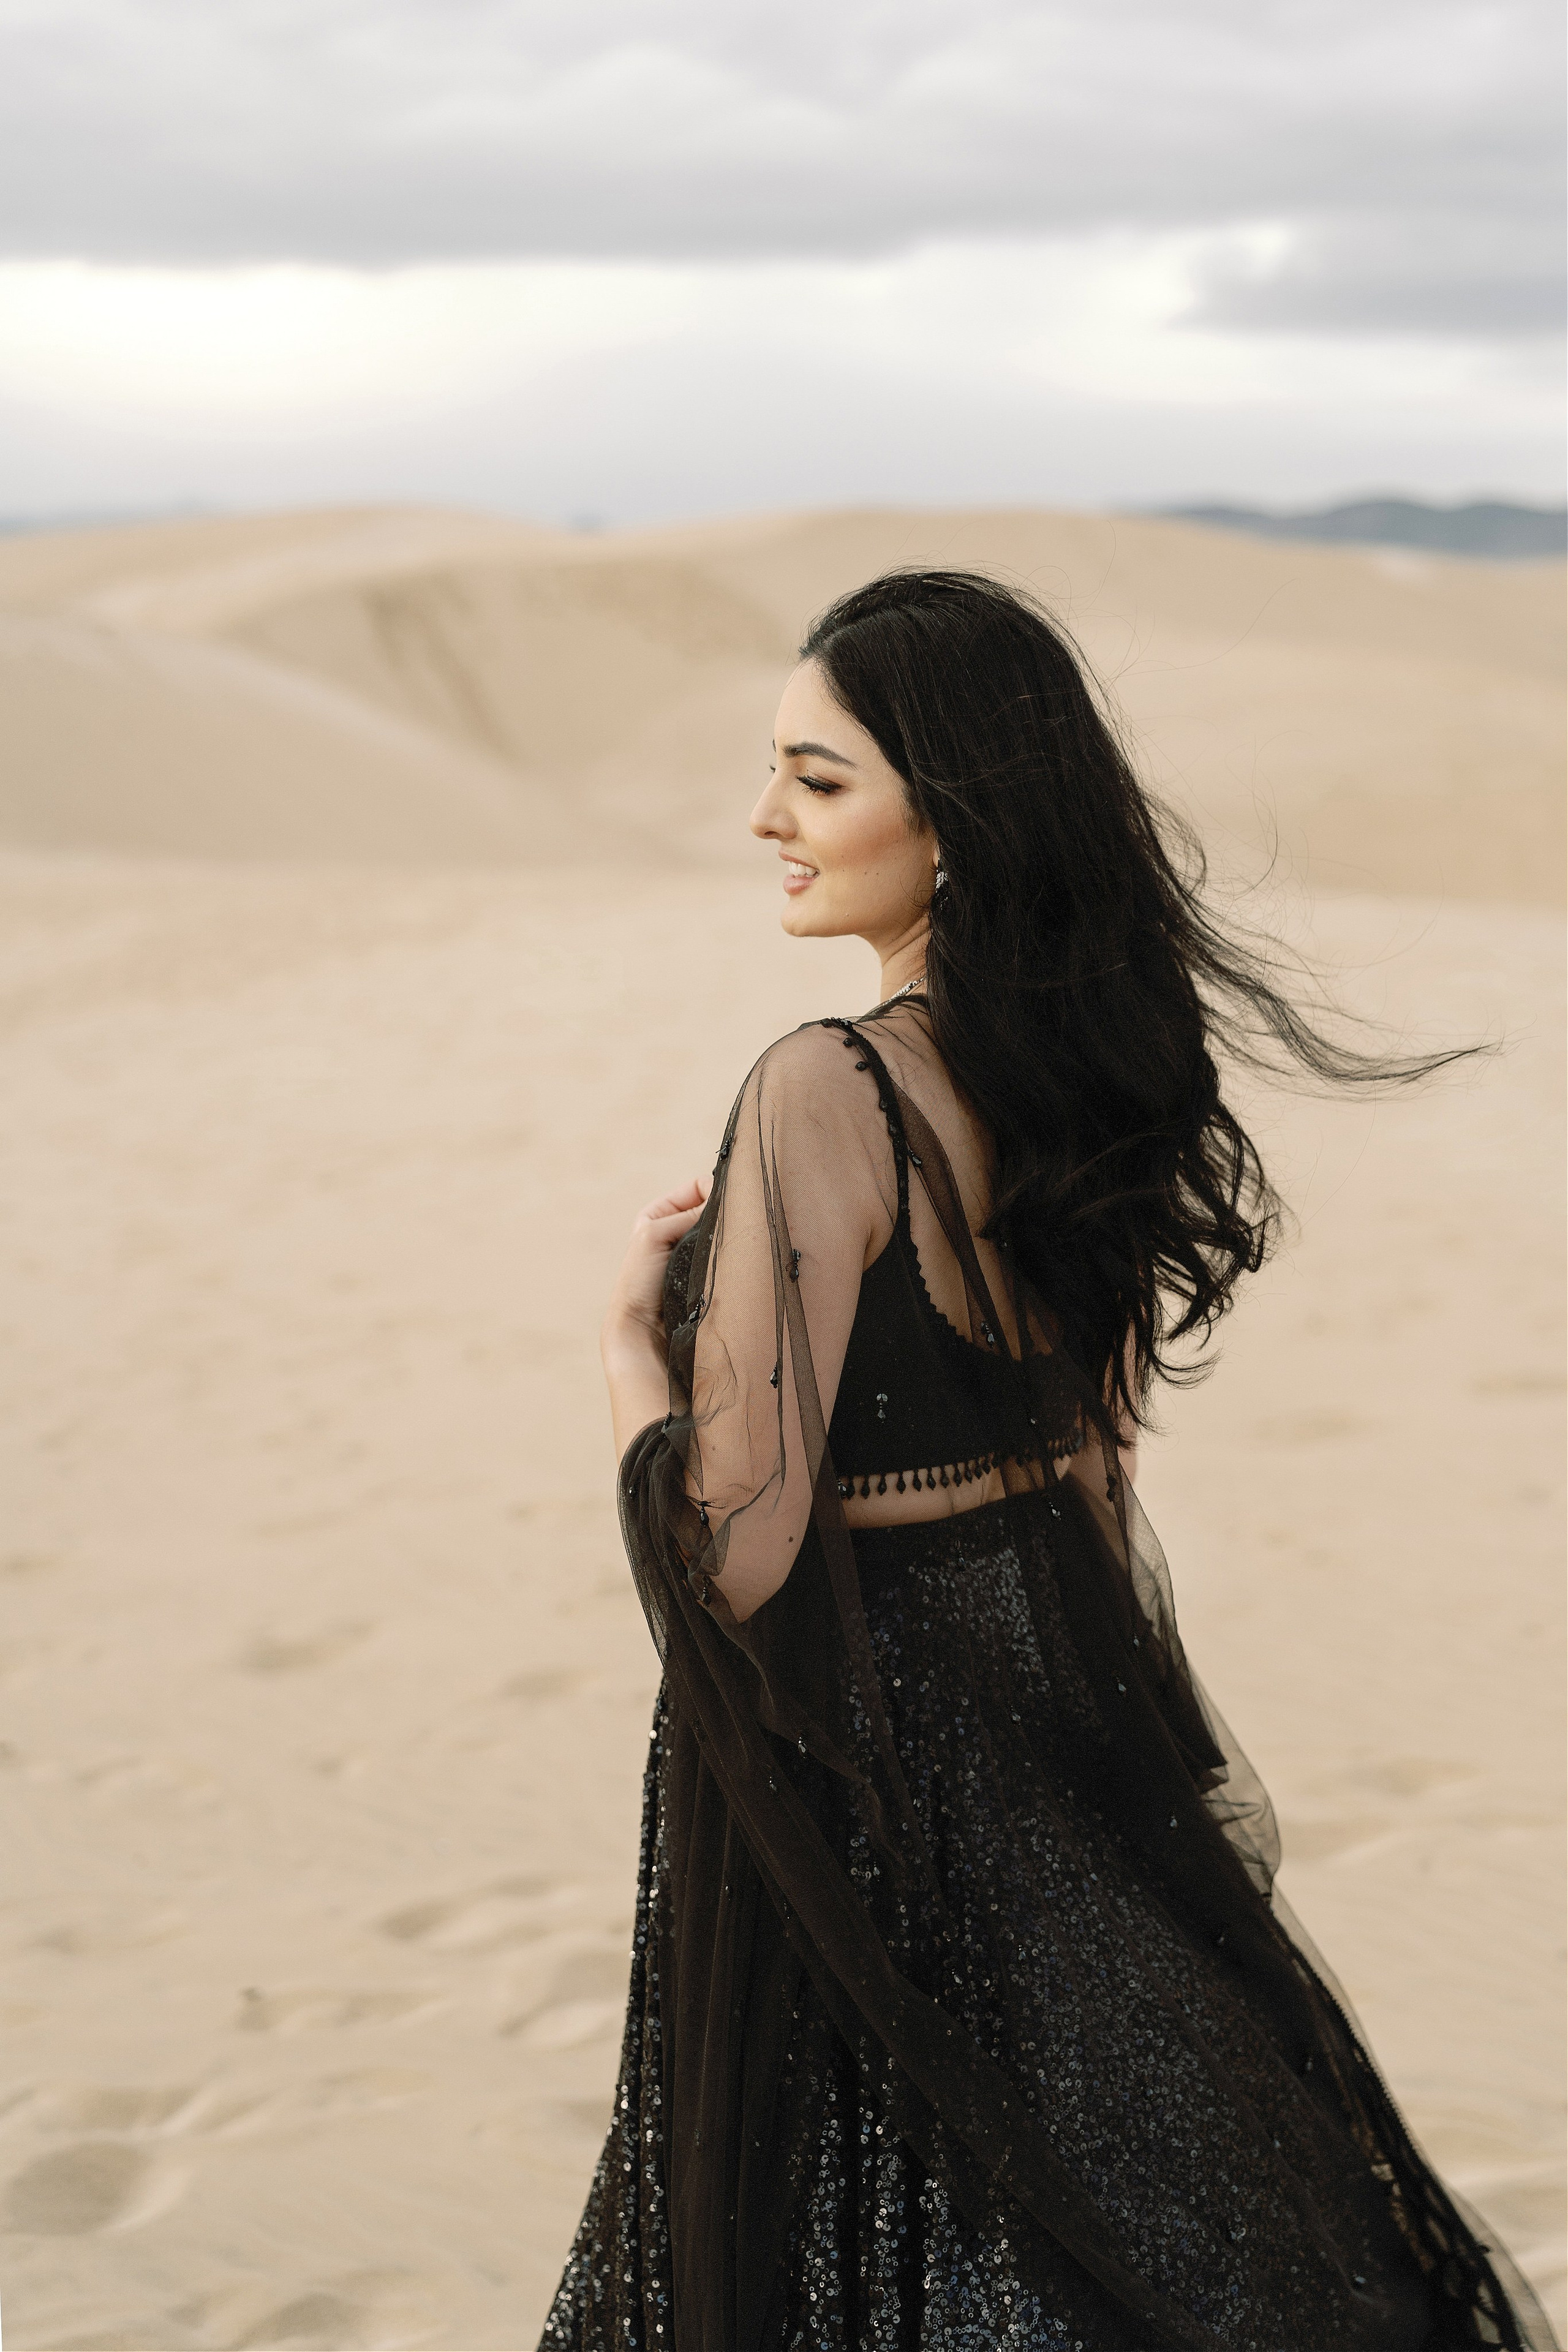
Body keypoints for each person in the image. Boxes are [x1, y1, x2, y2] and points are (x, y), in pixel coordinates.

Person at [540, 571, 1552, 2351]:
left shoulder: (823, 1091)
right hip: (1059, 1722)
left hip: (871, 1766)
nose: (763, 818)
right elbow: (1100, 1469)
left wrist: (629, 1354)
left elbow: (739, 1549)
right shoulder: (1084, 1070)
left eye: (818, 777)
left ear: (955, 819)